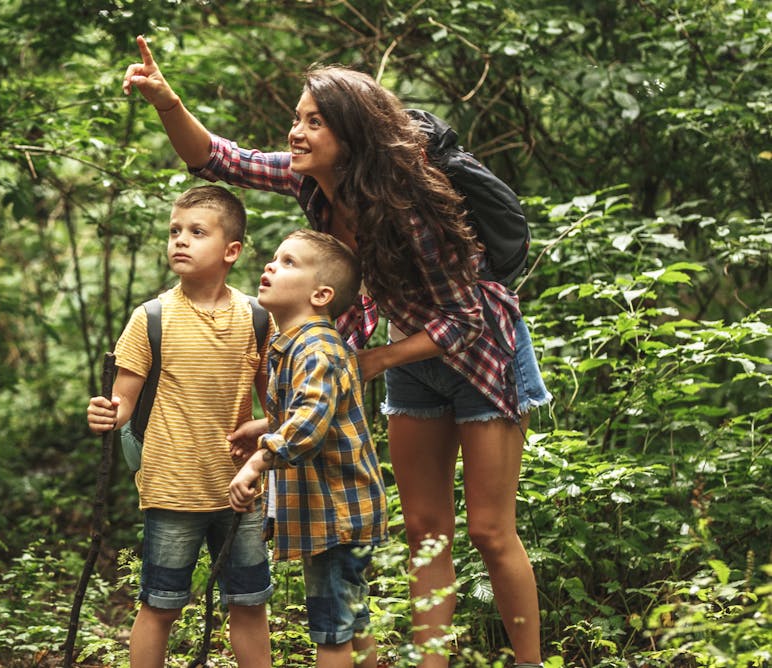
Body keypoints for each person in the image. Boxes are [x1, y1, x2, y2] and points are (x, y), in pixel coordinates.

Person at [122, 36, 553, 668]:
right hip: (412, 360)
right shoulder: (313, 186)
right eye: (297, 119)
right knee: (425, 531)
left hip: (484, 356)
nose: (296, 132)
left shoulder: (408, 204)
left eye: (313, 122)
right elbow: (221, 159)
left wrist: (374, 360)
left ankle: (529, 663)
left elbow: (466, 316)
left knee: (490, 530)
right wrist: (167, 102)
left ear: (349, 135)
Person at [86, 184, 274, 668]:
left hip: (241, 490)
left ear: (231, 250)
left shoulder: (257, 317)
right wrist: (106, 413)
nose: (180, 241)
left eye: (196, 232)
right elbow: (123, 403)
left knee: (250, 603)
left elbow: (279, 404)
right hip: (172, 487)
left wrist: (263, 433)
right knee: (160, 606)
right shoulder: (151, 317)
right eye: (174, 232)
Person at [229, 229, 387, 668]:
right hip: (334, 513)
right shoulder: (297, 345)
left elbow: (306, 429)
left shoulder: (316, 348)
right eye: (274, 258)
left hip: (337, 513)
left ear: (321, 294)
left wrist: (259, 460)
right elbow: (313, 411)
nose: (270, 266)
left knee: (331, 630)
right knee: (350, 622)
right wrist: (263, 427)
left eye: (288, 262)